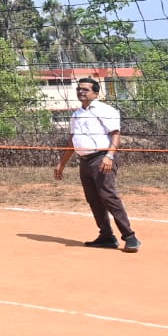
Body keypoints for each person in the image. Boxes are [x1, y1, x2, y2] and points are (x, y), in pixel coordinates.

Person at [56, 77, 139, 253]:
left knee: (108, 196)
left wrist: (109, 156)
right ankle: (107, 236)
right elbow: (71, 142)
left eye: (85, 89)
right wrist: (61, 164)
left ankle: (130, 237)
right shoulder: (76, 115)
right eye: (79, 89)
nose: (81, 92)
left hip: (102, 158)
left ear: (95, 93)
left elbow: (116, 135)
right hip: (85, 161)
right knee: (93, 199)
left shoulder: (105, 110)